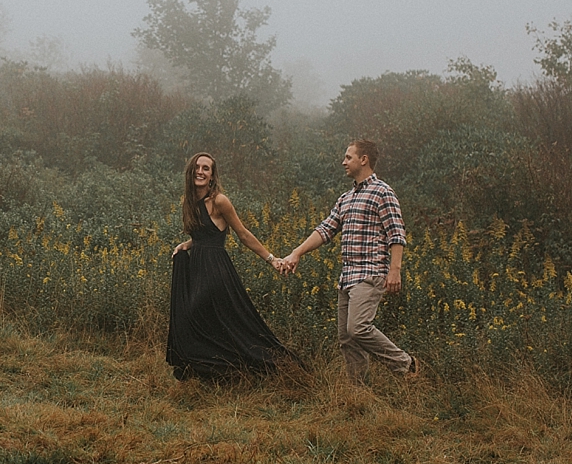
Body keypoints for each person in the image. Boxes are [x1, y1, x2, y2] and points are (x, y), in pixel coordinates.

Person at [277, 139, 419, 383]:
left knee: (358, 328)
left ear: (363, 160)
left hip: (370, 273)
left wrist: (394, 270)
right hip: (347, 277)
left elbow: (397, 233)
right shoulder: (345, 198)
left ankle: (407, 366)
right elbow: (325, 230)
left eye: (348, 157)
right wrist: (296, 253)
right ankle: (359, 393)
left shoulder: (382, 192)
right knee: (347, 338)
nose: (343, 162)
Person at [167, 152, 303, 380]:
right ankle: (212, 372)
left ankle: (272, 367)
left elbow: (242, 234)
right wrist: (186, 245)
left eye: (206, 168)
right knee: (205, 321)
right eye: (197, 167)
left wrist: (272, 259)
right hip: (198, 268)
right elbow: (203, 235)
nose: (201, 172)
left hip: (216, 270)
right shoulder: (189, 202)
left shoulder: (220, 201)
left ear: (212, 176)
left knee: (197, 313)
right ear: (191, 171)